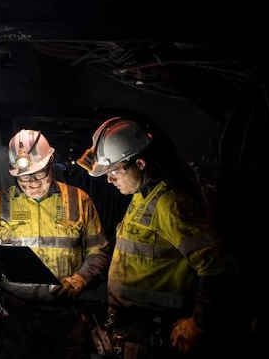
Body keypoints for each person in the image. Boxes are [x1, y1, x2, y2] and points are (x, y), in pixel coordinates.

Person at [76, 117, 243, 359]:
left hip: (157, 334)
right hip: (130, 333)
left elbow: (219, 266)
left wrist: (198, 322)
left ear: (140, 163)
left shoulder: (170, 203)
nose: (109, 180)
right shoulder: (140, 196)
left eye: (114, 172)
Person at [0, 129, 110, 359]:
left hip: (65, 319)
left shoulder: (79, 201)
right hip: (16, 319)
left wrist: (79, 279)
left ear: (51, 163)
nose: (32, 183)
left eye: (38, 173)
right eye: (24, 177)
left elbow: (99, 252)